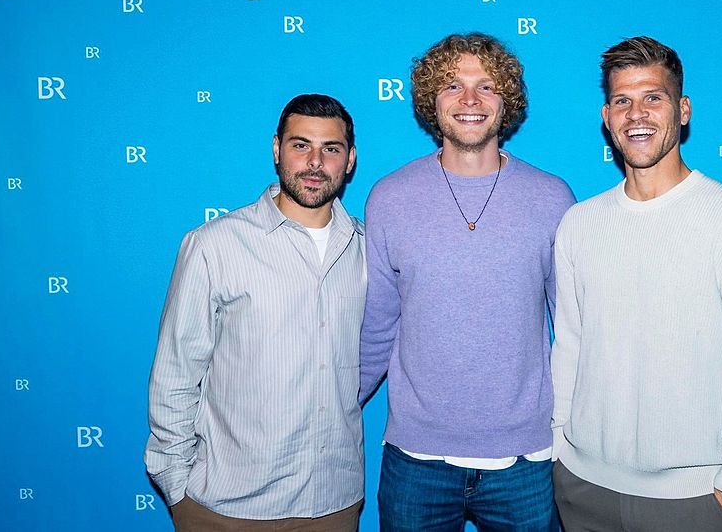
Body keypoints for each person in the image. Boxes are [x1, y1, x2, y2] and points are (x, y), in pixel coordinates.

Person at [551, 36, 722, 532]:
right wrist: (559, 447)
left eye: (652, 97)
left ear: (682, 110)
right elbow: (569, 348)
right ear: (606, 115)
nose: (636, 113)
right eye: (622, 100)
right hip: (581, 486)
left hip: (694, 500)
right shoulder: (578, 223)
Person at [359, 33, 575, 531]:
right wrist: (331, 411)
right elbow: (375, 326)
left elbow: (575, 326)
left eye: (486, 86)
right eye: (454, 85)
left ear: (507, 101)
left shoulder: (551, 198)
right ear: (431, 101)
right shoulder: (390, 198)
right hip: (416, 458)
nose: (471, 100)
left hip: (526, 459)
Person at [144, 94, 366, 531]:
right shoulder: (214, 245)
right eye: (301, 145)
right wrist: (177, 486)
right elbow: (176, 371)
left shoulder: (367, 249)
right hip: (225, 507)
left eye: (331, 149)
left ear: (350, 159)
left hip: (333, 504)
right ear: (276, 149)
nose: (315, 161)